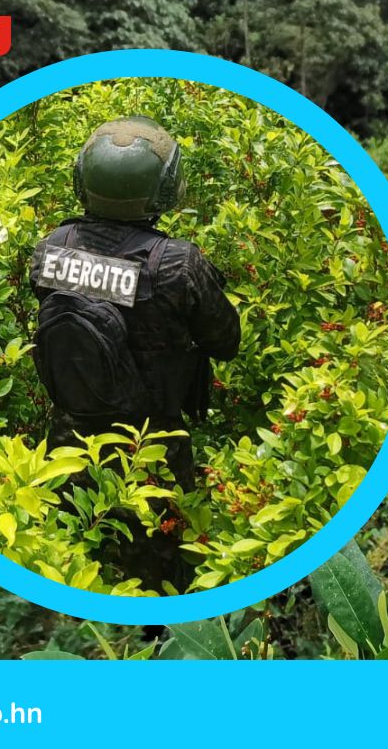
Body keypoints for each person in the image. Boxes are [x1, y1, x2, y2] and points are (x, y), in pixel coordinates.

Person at [29, 115, 241, 590]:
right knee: (165, 573)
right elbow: (226, 343)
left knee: (74, 560)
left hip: (70, 440)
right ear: (163, 190)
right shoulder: (176, 263)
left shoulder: (51, 250)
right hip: (152, 446)